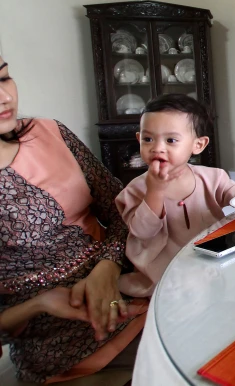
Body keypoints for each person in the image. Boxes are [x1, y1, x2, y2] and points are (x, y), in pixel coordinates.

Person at [0, 58, 146, 383]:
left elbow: (121, 206)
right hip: (56, 335)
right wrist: (39, 303)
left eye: (4, 77)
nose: (5, 97)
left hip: (129, 280)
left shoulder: (48, 131)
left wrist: (107, 266)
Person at [116, 94, 235, 297]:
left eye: (171, 140)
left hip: (209, 255)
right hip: (165, 268)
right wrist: (155, 191)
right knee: (186, 292)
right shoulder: (135, 189)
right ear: (139, 139)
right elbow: (142, 232)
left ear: (198, 145)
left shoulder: (212, 177)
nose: (157, 147)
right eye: (148, 139)